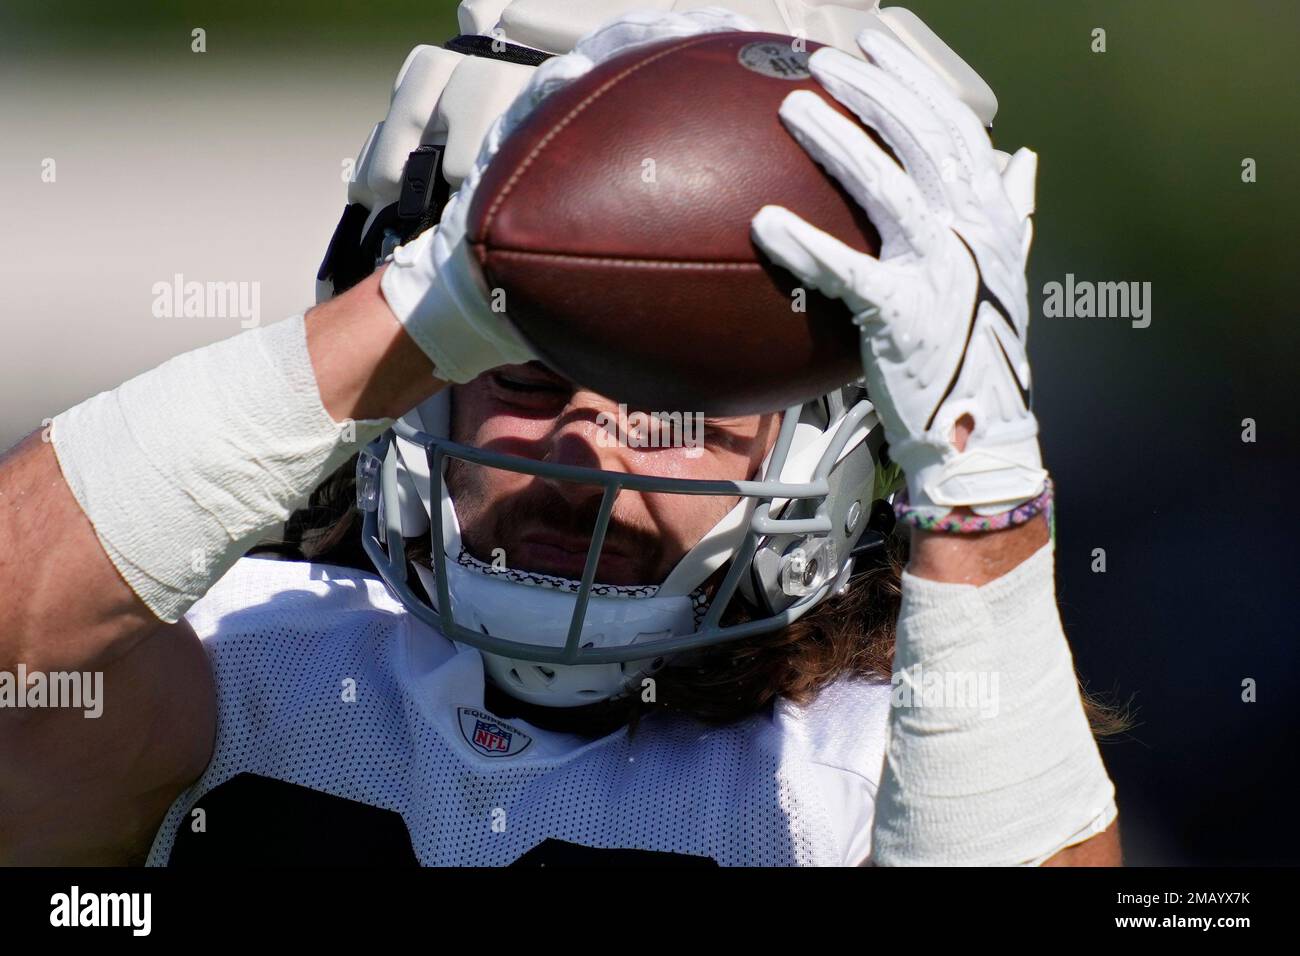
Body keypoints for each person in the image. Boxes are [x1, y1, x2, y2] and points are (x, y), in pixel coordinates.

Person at [0, 2, 1120, 866]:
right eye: (528, 373)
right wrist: (424, 293)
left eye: (680, 403)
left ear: (832, 443)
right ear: (429, 389)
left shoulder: (881, 780)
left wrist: (978, 467)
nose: (591, 449)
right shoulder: (239, 667)